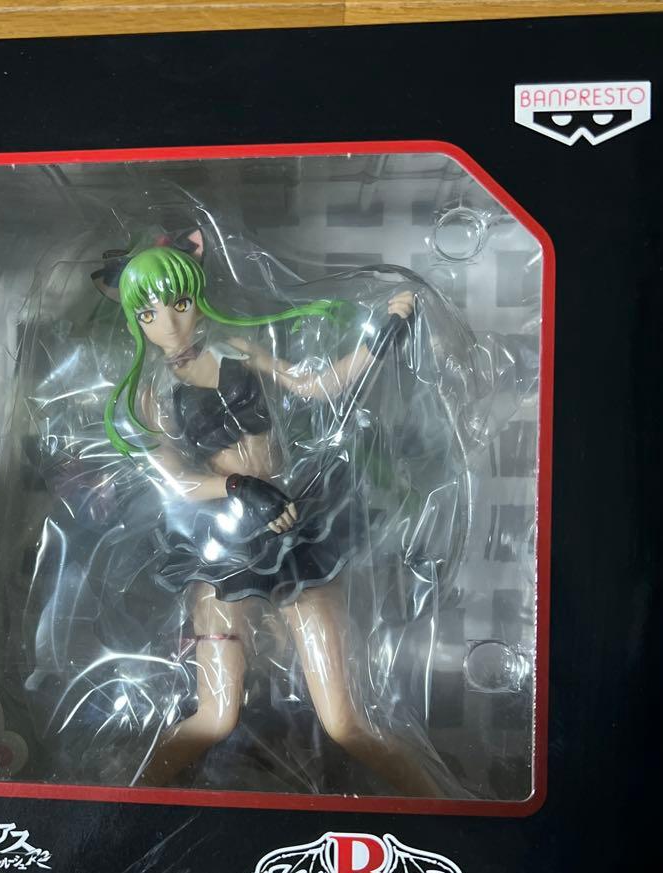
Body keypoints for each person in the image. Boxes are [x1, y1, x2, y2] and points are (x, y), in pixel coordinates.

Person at [92, 229, 447, 796]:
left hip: (292, 529)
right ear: (134, 319)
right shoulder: (149, 392)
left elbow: (313, 385)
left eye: (179, 303)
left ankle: (443, 811)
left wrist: (376, 341)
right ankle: (117, 806)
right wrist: (238, 487)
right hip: (221, 547)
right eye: (149, 313)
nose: (170, 324)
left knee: (345, 721)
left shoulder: (235, 348)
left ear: (197, 298)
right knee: (215, 716)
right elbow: (176, 481)